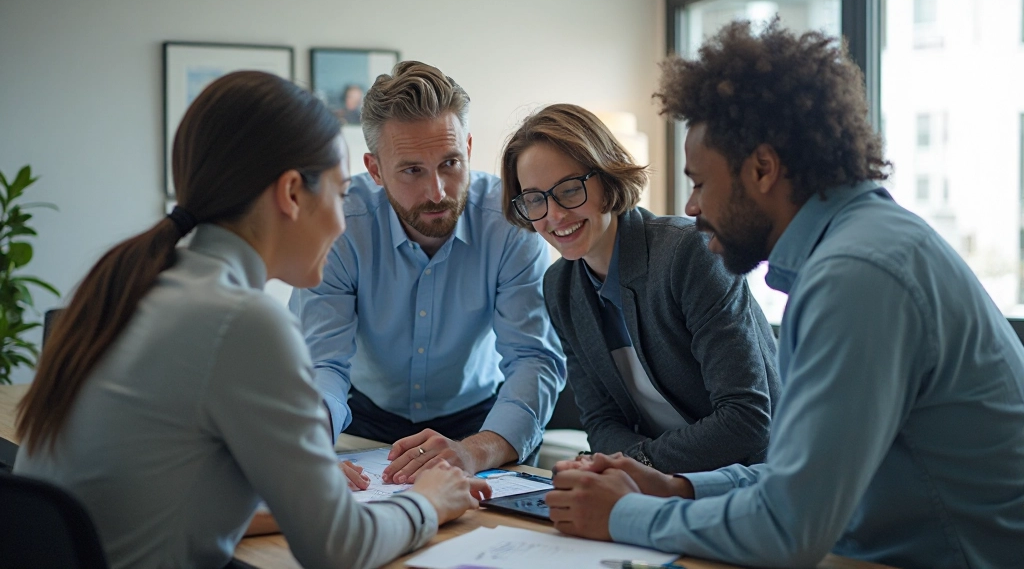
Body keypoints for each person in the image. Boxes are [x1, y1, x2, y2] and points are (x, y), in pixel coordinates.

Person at [544, 20, 1024, 569]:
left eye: (699, 182)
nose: (693, 206)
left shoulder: (855, 275)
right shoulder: (863, 246)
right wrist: (677, 488)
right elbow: (798, 474)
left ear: (763, 169)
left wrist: (622, 516)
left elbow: (788, 527)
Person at [14, 71, 489, 569]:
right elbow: (340, 550)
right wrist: (430, 501)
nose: (343, 219)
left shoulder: (137, 288)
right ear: (290, 194)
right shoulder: (243, 320)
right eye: (338, 191)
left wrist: (304, 498)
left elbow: (169, 499)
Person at [289, 61, 565, 483]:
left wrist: (477, 449)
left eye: (450, 163)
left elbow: (531, 357)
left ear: (469, 149)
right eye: (412, 170)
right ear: (376, 169)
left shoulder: (510, 221)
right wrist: (309, 446)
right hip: (362, 418)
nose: (436, 191)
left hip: (480, 420)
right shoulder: (341, 224)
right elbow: (322, 362)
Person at [499, 103, 779, 473]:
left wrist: (641, 464)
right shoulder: (560, 288)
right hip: (659, 489)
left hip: (755, 478)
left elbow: (747, 419)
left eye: (569, 189)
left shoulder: (687, 253)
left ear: (607, 176)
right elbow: (600, 423)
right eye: (535, 199)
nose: (554, 215)